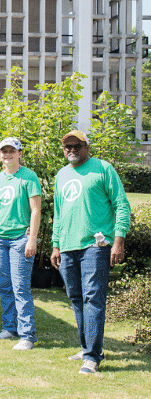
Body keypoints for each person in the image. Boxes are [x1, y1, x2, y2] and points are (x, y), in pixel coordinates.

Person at [50, 130, 130, 374]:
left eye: (76, 145)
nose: (71, 150)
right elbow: (59, 213)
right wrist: (55, 245)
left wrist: (118, 241)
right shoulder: (61, 175)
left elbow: (121, 205)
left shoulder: (103, 169)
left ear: (86, 146)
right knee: (76, 298)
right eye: (67, 147)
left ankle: (92, 357)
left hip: (96, 246)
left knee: (93, 297)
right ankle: (88, 348)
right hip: (68, 246)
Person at [0, 138, 41, 351]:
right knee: (6, 286)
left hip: (20, 239)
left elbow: (35, 209)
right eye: (4, 151)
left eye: (12, 151)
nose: (7, 154)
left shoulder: (29, 177)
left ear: (20, 153)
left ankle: (27, 335)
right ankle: (9, 328)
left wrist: (32, 238)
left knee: (20, 287)